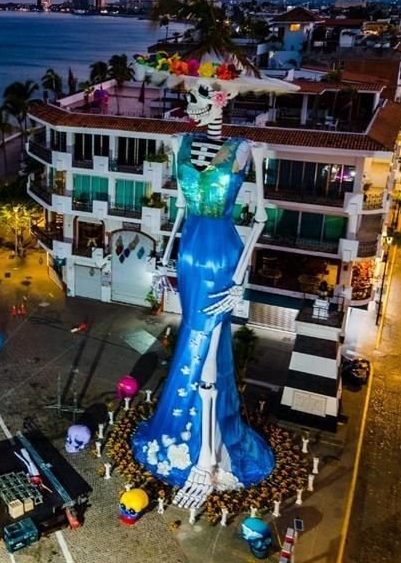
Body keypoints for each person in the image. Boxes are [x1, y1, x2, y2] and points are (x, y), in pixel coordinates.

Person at [131, 67, 278, 493]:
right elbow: (180, 208)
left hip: (221, 255)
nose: (189, 102)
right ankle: (195, 436)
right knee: (192, 329)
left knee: (207, 333)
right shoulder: (180, 143)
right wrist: (165, 254)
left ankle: (206, 454)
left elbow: (260, 217)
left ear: (220, 99)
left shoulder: (244, 150)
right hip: (189, 250)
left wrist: (240, 281)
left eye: (198, 95)